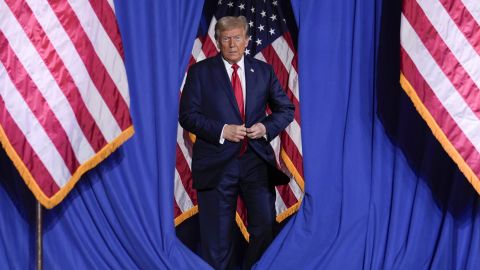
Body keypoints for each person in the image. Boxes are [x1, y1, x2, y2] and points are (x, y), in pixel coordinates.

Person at [179, 15, 294, 270]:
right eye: (226, 38)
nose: (232, 44)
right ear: (218, 41)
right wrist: (222, 130)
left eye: (237, 38)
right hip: (216, 164)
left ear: (247, 40)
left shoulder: (263, 71)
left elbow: (286, 109)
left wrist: (266, 126)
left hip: (255, 161)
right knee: (217, 239)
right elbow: (187, 116)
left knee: (264, 226)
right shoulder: (200, 72)